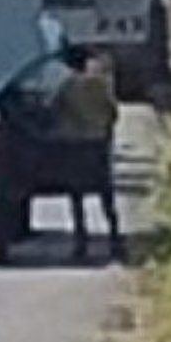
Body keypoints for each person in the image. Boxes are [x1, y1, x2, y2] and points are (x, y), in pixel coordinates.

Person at [51, 46, 125, 264]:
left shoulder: (66, 87)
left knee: (77, 196)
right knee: (106, 195)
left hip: (75, 145)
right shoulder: (99, 85)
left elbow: (56, 110)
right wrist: (105, 130)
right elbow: (113, 112)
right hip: (97, 143)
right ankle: (115, 241)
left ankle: (81, 243)